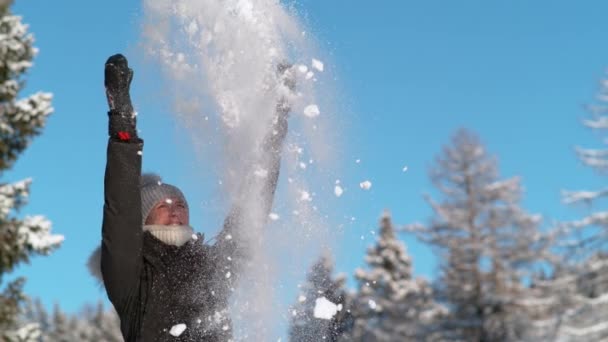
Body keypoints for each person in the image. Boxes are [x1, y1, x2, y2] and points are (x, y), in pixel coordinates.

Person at [95, 54, 290, 341]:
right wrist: (122, 124)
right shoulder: (131, 277)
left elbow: (250, 214)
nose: (175, 210)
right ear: (144, 216)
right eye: (162, 205)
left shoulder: (211, 268)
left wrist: (278, 124)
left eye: (181, 205)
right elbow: (121, 209)